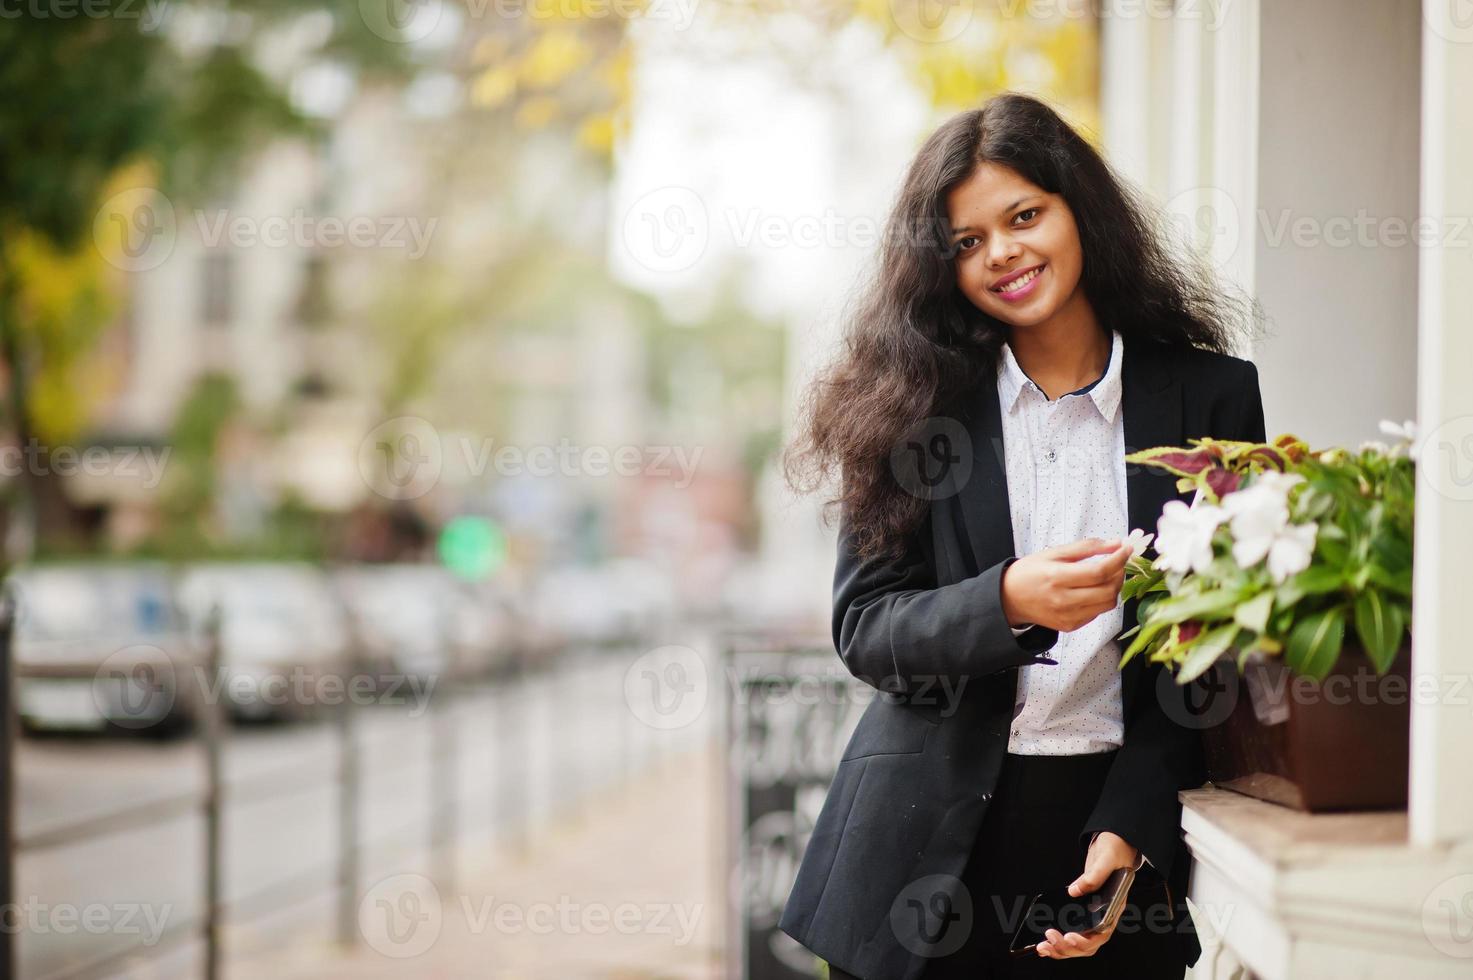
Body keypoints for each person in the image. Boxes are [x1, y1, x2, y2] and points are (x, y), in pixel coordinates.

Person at [777, 91, 1268, 980]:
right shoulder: (909, 404)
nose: (1002, 253)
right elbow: (867, 629)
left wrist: (1137, 812)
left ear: (1079, 209)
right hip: (920, 850)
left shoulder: (1214, 398)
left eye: (1024, 216)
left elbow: (1223, 645)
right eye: (967, 242)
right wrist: (1003, 601)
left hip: (1108, 823)